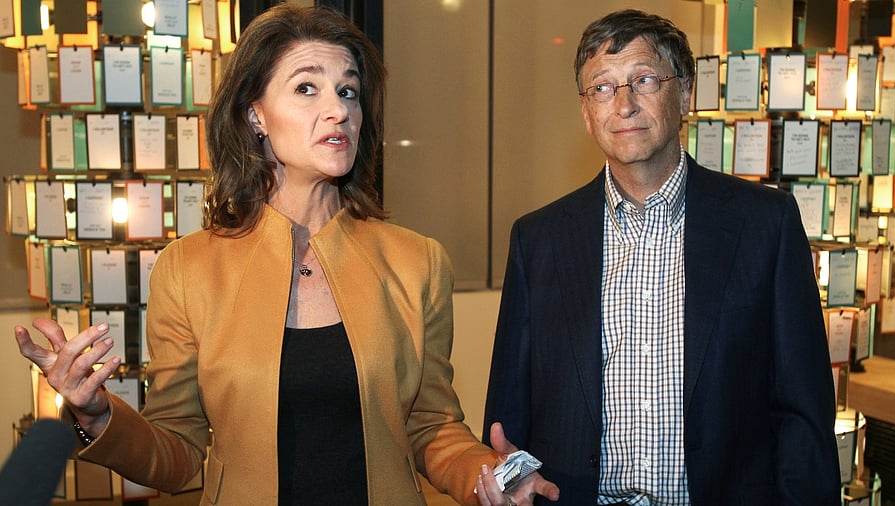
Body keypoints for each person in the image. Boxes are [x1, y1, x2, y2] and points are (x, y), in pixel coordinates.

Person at [13, 5, 559, 506]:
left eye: (348, 92)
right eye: (307, 89)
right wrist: (98, 414)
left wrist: (488, 475)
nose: (338, 110)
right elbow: (177, 455)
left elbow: (431, 427)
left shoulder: (418, 262)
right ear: (255, 116)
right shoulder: (188, 268)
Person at [482, 9, 841, 506]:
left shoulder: (765, 223)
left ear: (686, 94)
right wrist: (509, 477)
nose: (623, 104)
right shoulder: (538, 240)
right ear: (586, 113)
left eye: (643, 80)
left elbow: (804, 412)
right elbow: (509, 415)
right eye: (602, 88)